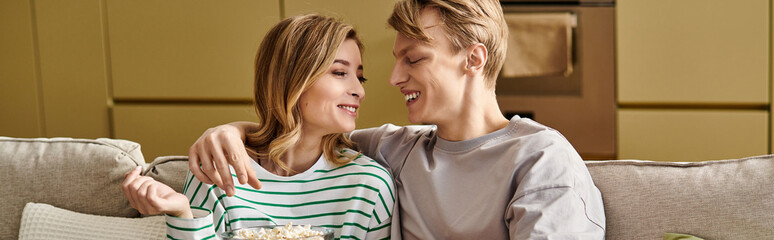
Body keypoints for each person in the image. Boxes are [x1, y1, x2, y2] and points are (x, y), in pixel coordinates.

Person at [188, 0, 606, 239]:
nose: (392, 79)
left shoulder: (542, 160)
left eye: (415, 59)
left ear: (473, 59)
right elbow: (302, 132)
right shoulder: (397, 149)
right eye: (394, 61)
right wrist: (232, 132)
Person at [122, 14, 395, 240]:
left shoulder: (369, 186)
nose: (359, 90)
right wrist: (182, 214)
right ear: (292, 79)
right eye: (339, 73)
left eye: (361, 77)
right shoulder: (218, 170)